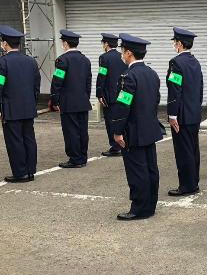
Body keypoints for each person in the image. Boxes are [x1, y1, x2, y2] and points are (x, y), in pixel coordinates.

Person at [111, 33, 165, 220]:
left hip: (133, 131)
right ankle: (150, 205)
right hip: (149, 128)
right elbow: (156, 101)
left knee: (137, 171)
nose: (121, 55)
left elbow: (123, 106)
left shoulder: (128, 77)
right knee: (151, 168)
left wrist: (117, 132)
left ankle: (138, 208)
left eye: (122, 52)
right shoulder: (152, 74)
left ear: (128, 53)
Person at [0, 25, 40, 183]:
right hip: (28, 107)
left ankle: (20, 172)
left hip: (11, 109)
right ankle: (30, 170)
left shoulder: (3, 63)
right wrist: (33, 101)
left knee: (15, 141)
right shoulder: (30, 61)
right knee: (29, 138)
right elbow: (37, 85)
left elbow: (0, 86)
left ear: (5, 44)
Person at [167, 28, 203, 196]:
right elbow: (200, 87)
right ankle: (193, 182)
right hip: (194, 113)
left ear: (180, 44)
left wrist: (172, 114)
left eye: (175, 42)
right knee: (193, 150)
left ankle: (187, 185)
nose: (174, 45)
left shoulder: (176, 63)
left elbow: (175, 90)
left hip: (181, 115)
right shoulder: (195, 62)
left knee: (183, 152)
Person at [50, 30, 92, 168]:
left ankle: (75, 159)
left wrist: (55, 99)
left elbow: (57, 81)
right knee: (82, 130)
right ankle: (83, 156)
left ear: (66, 43)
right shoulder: (85, 60)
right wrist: (86, 96)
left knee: (71, 131)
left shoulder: (62, 60)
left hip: (68, 102)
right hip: (83, 101)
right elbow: (88, 82)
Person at [96, 33, 127, 157]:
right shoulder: (122, 56)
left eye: (103, 43)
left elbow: (102, 76)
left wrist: (99, 94)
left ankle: (115, 147)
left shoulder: (104, 58)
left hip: (109, 95)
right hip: (123, 94)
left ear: (106, 44)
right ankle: (123, 143)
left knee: (110, 121)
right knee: (122, 119)